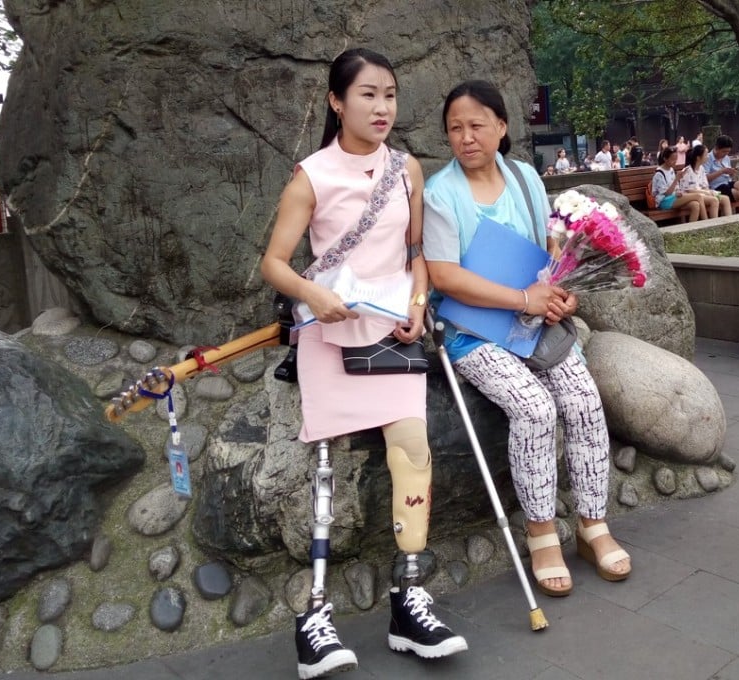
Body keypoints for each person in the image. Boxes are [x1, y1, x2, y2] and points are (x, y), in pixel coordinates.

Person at [260, 48, 468, 678]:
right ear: (336, 102)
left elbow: (417, 253)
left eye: (391, 95)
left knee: (413, 454)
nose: (382, 108)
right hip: (329, 332)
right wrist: (311, 294)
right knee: (326, 464)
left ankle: (408, 599)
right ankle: (315, 617)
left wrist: (418, 301)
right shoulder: (311, 176)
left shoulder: (408, 169)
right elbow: (273, 262)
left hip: (395, 331)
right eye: (368, 95)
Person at [422, 79, 632, 599]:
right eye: (455, 129)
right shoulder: (439, 194)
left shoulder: (524, 178)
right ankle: (540, 533)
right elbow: (444, 276)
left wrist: (564, 293)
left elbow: (549, 248)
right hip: (474, 332)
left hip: (537, 322)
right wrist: (523, 301)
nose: (466, 138)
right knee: (535, 408)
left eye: (476, 126)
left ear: (501, 126)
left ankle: (592, 524)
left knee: (584, 401)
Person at [651, 147, 704, 221]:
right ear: (665, 159)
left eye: (676, 159)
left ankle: (690, 230)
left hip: (673, 198)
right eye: (673, 159)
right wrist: (676, 179)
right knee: (698, 196)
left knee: (695, 205)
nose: (675, 161)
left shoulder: (671, 169)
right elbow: (666, 193)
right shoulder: (659, 174)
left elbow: (675, 188)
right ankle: (707, 222)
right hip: (664, 201)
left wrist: (678, 192)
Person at [679, 145, 730, 218]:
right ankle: (714, 224)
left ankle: (730, 223)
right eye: (706, 155)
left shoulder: (702, 169)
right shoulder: (687, 171)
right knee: (714, 200)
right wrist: (706, 192)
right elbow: (688, 190)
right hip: (691, 197)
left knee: (725, 199)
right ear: (698, 158)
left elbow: (705, 186)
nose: (708, 157)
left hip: (704, 194)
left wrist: (710, 192)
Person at [704, 135, 739, 213]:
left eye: (728, 152)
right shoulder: (707, 158)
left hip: (727, 183)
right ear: (716, 148)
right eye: (724, 151)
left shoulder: (726, 158)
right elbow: (705, 178)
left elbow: (729, 176)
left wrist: (731, 173)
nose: (725, 154)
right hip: (716, 187)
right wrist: (722, 171)